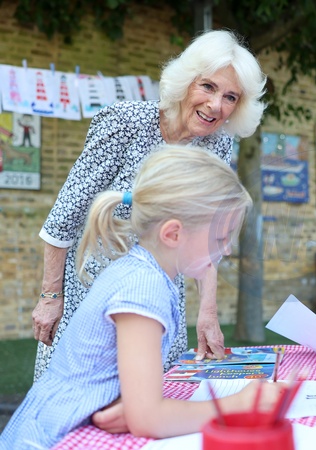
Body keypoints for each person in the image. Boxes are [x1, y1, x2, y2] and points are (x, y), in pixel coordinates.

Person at [0, 146, 283, 449]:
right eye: (219, 238)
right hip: (50, 439)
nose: (226, 250)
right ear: (173, 234)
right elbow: (148, 419)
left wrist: (130, 404)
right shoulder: (144, 288)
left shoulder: (144, 272)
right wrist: (239, 403)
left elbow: (134, 402)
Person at [31, 29, 267, 381]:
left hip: (160, 295)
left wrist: (208, 312)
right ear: (186, 81)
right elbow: (66, 213)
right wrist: (51, 296)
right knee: (87, 390)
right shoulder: (125, 122)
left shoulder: (217, 144)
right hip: (95, 289)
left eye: (230, 97)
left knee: (152, 390)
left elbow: (206, 233)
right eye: (208, 86)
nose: (216, 105)